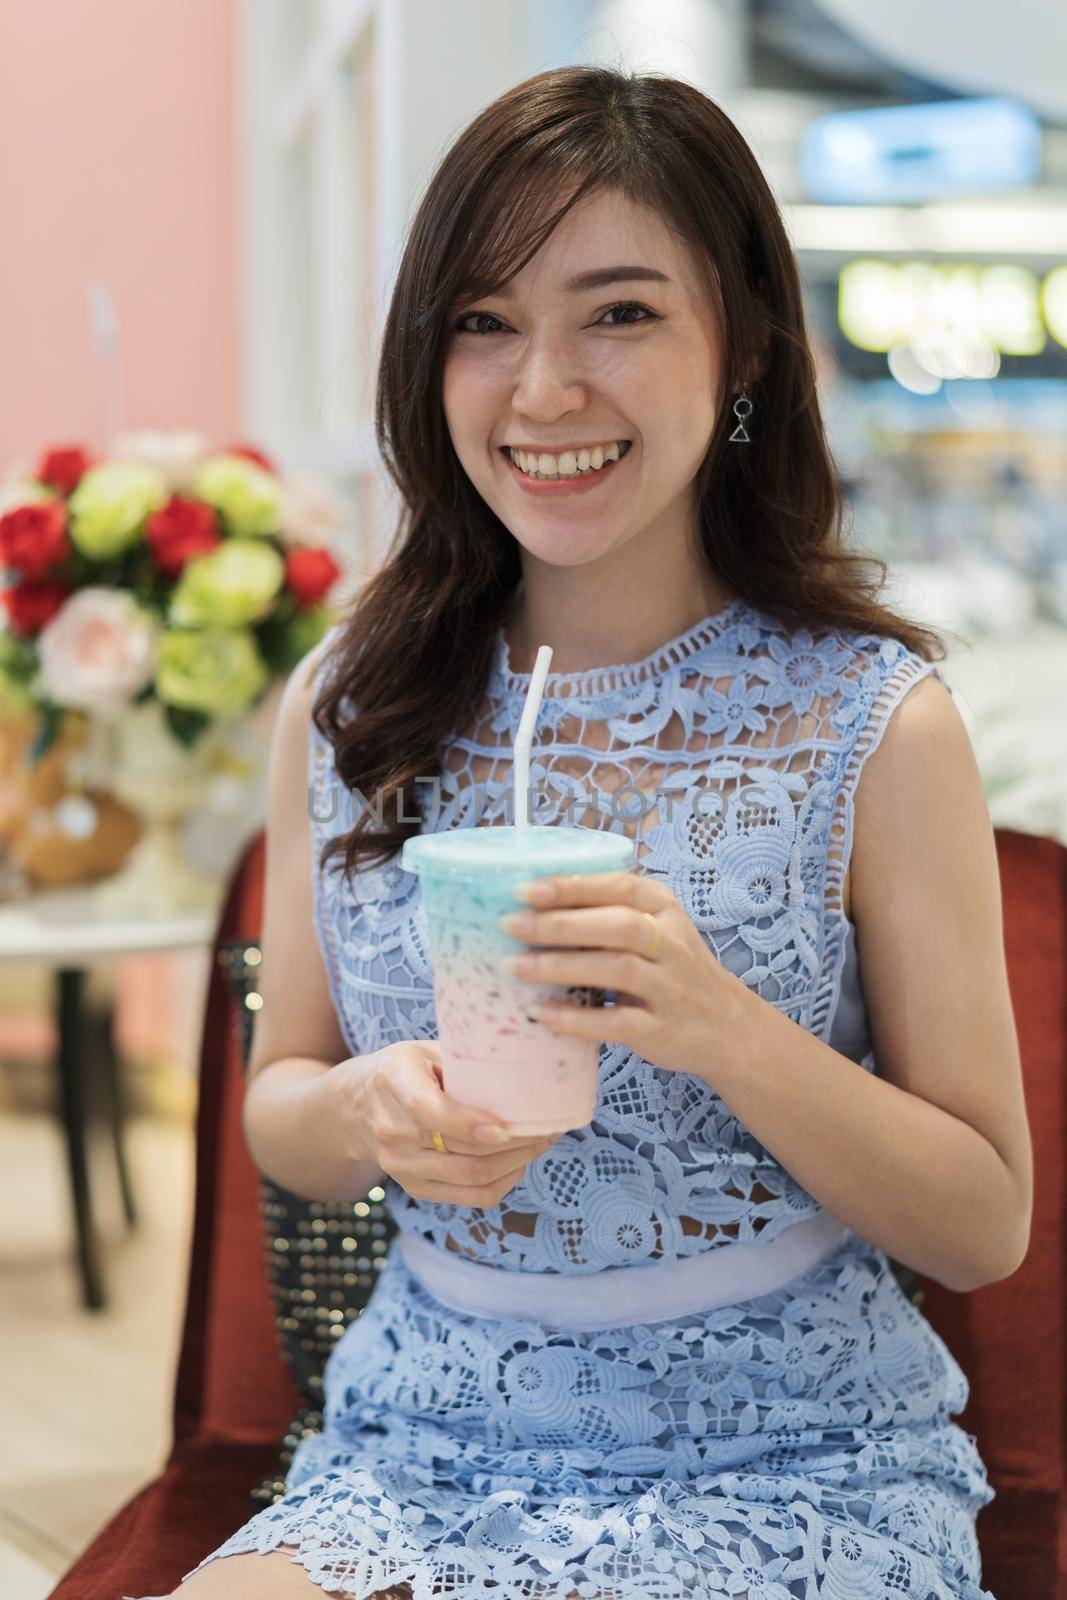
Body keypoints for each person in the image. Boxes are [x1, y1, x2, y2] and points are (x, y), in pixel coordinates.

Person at [136, 64, 1031, 1600]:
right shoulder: (346, 703)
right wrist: (372, 1110)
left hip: (793, 1457)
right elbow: (282, 1109)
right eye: (484, 322)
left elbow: (984, 1224)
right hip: (422, 1444)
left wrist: (722, 1027)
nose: (542, 389)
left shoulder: (877, 723)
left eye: (618, 312)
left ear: (742, 339)